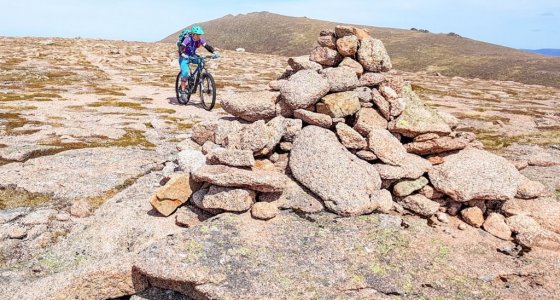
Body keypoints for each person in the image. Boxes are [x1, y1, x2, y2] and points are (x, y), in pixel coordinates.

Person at [178, 25, 219, 93]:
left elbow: (207, 46)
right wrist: (182, 54)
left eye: (199, 35)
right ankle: (182, 91)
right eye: (197, 35)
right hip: (184, 57)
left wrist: (214, 52)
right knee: (185, 73)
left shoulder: (200, 40)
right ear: (193, 34)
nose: (198, 36)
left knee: (201, 62)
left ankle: (196, 85)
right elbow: (181, 48)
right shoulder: (187, 39)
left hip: (193, 56)